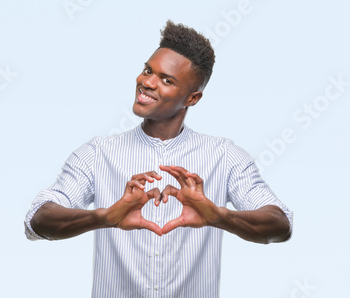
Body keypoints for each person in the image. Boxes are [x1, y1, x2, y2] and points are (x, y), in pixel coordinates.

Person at [24, 20, 293, 298]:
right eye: (147, 70)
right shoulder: (97, 154)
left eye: (167, 80)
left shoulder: (224, 156)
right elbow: (38, 219)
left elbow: (279, 224)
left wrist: (219, 217)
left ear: (193, 98)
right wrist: (104, 217)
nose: (147, 82)